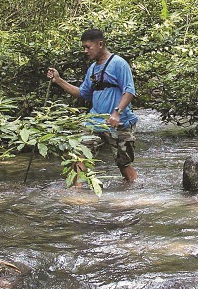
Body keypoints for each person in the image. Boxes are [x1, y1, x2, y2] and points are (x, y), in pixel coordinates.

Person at [47, 29, 139, 182]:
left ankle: (134, 194)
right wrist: (58, 80)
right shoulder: (92, 69)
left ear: (100, 44)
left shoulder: (118, 63)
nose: (85, 51)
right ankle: (77, 196)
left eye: (88, 47)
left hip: (118, 122)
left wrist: (117, 112)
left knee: (124, 164)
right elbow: (82, 93)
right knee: (79, 157)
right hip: (94, 121)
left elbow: (129, 91)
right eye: (83, 47)